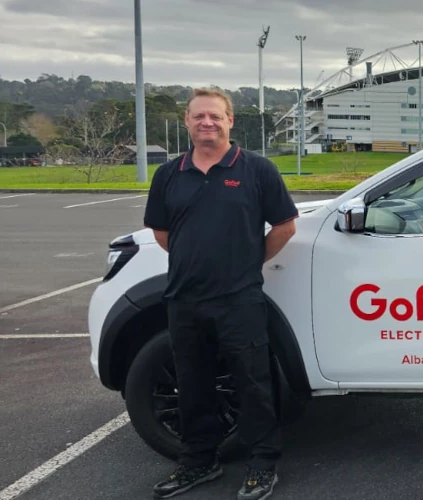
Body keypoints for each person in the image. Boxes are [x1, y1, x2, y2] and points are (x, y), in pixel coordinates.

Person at [143, 88, 298, 500]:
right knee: (192, 386)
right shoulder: (168, 174)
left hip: (239, 298)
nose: (206, 123)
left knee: (253, 384)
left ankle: (262, 465)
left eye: (215, 116)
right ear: (187, 122)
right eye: (198, 117)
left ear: (230, 120)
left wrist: (247, 263)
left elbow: (285, 226)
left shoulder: (257, 170)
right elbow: (162, 233)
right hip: (184, 299)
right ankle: (199, 462)